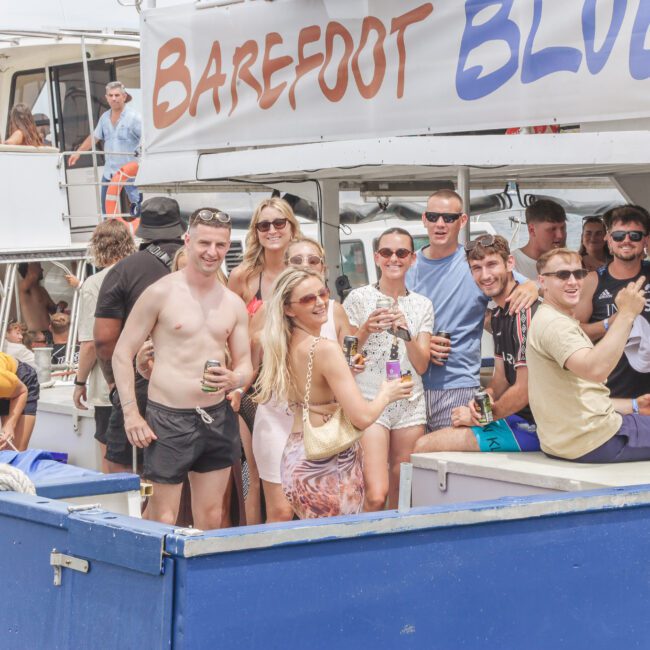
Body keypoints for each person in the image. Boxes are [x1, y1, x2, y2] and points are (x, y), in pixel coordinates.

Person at [113, 208, 253, 528]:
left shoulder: (232, 303)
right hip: (169, 417)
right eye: (204, 243)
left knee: (211, 516)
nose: (212, 252)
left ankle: (200, 579)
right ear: (187, 242)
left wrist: (237, 378)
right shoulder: (160, 292)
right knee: (163, 516)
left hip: (215, 416)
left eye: (220, 245)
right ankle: (153, 576)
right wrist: (132, 414)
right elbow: (122, 353)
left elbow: (245, 363)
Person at [255, 268, 413, 519]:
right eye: (308, 299)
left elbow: (313, 392)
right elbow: (362, 417)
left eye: (323, 294)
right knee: (339, 544)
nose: (320, 303)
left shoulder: (282, 344)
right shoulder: (325, 349)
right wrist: (387, 392)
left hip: (297, 456)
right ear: (288, 309)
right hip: (328, 463)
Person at [406, 189, 538, 433]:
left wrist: (532, 287)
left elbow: (523, 286)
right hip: (409, 385)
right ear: (424, 219)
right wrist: (420, 344)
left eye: (449, 218)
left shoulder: (473, 264)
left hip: (457, 386)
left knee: (446, 460)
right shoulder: (407, 265)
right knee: (410, 460)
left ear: (462, 221)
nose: (440, 224)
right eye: (433, 217)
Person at [251, 236, 356, 522]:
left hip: (321, 425)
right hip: (277, 417)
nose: (306, 266)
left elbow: (349, 355)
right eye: (297, 261)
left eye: (313, 260)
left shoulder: (334, 310)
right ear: (286, 267)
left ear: (323, 266)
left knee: (324, 509)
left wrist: (350, 366)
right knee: (281, 510)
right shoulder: (268, 311)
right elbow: (250, 370)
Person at [415, 235, 540, 454]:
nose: (485, 275)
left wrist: (482, 416)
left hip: (540, 428)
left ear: (510, 263)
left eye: (492, 265)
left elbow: (524, 390)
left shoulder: (524, 313)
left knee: (425, 446)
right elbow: (500, 380)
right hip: (518, 420)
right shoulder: (501, 315)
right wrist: (479, 404)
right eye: (476, 268)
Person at [527, 248, 650, 462]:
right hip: (596, 441)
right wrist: (627, 314)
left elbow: (580, 397)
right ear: (542, 282)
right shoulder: (555, 325)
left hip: (569, 441)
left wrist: (635, 405)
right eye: (562, 275)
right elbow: (595, 369)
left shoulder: (552, 318)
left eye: (579, 274)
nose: (573, 282)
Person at [344, 228, 432, 510]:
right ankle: (364, 548)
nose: (394, 258)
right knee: (376, 493)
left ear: (412, 258)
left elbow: (422, 364)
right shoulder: (358, 298)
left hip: (409, 399)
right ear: (376, 257)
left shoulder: (422, 305)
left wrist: (407, 334)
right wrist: (365, 329)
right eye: (387, 252)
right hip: (370, 398)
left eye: (401, 253)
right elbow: (345, 356)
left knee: (402, 489)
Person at [94, 197, 184, 473]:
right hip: (194, 380)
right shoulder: (205, 266)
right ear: (180, 228)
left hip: (142, 379)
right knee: (185, 468)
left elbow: (104, 339)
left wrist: (115, 381)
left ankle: (137, 515)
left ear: (142, 229)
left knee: (118, 464)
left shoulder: (125, 270)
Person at [73, 220, 136, 473]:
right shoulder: (140, 275)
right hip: (142, 380)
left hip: (108, 386)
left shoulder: (94, 283)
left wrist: (79, 383)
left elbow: (91, 343)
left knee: (111, 464)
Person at [575, 205, 650, 399]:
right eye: (618, 236)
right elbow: (574, 334)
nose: (626, 241)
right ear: (608, 239)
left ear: (646, 240)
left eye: (634, 235)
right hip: (612, 396)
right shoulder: (592, 281)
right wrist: (613, 321)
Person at [69, 81, 141, 213]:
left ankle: (138, 231)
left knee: (138, 210)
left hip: (130, 174)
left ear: (124, 97)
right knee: (107, 212)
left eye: (117, 95)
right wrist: (78, 152)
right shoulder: (104, 118)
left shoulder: (134, 117)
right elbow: (94, 138)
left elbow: (146, 138)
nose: (114, 98)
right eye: (111, 95)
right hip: (110, 173)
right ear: (107, 97)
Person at [512, 199, 567, 281]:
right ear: (532, 230)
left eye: (563, 228)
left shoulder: (569, 263)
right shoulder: (512, 266)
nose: (560, 235)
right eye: (552, 229)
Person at [0, 351, 38, 452]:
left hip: (20, 384)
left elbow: (22, 391)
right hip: (5, 382)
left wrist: (10, 424)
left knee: (13, 449)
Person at [17, 262, 56, 336]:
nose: (42, 269)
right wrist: (35, 256)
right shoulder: (23, 287)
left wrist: (60, 306)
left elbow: (54, 310)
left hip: (50, 333)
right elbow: (33, 275)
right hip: (35, 336)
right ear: (29, 270)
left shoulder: (42, 290)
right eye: (39, 267)